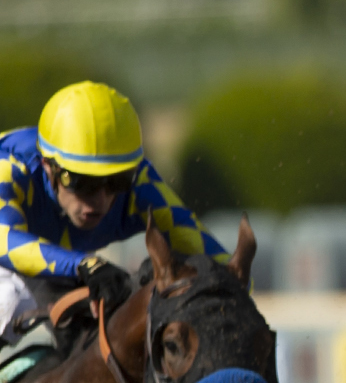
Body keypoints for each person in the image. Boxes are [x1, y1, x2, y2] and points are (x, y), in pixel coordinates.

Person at [0, 80, 225, 331]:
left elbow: (222, 265)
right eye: (82, 181)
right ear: (47, 166)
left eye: (117, 181)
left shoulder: (140, 185)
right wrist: (84, 264)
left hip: (52, 267)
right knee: (8, 298)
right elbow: (5, 242)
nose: (101, 199)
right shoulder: (11, 167)